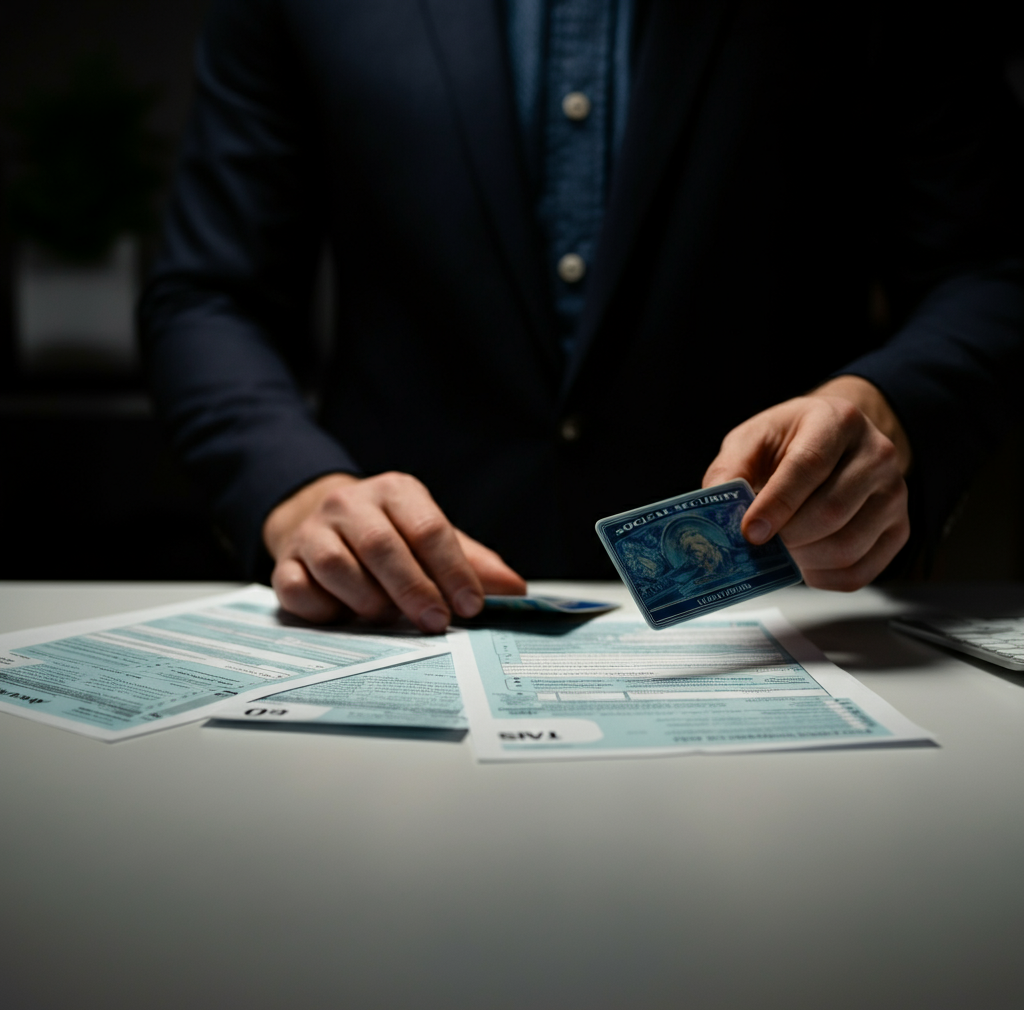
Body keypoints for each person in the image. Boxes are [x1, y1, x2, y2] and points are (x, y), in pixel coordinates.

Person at [141, 1, 1024, 632]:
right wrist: (298, 494)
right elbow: (209, 297)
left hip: (786, 631)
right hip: (395, 628)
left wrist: (887, 411)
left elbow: (993, 267)